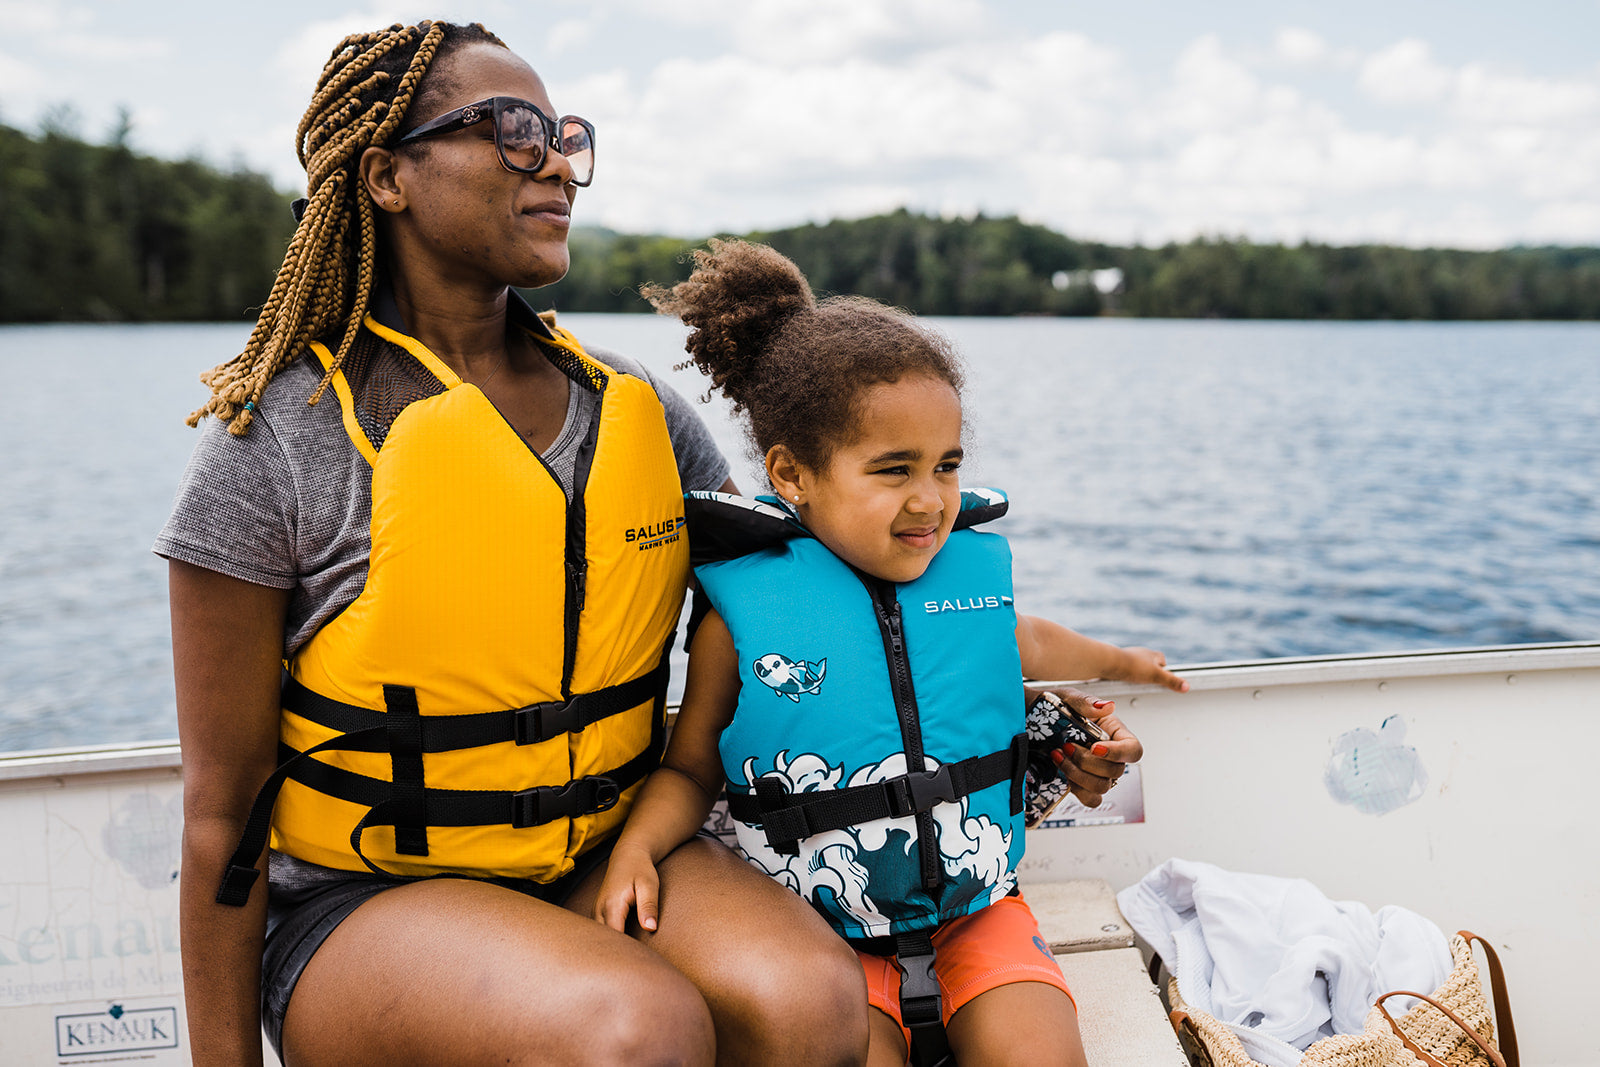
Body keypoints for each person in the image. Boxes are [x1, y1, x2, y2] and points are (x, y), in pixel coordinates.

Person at [156, 22, 875, 1065]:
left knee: (810, 1001)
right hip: (364, 903)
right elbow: (221, 813)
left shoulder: (638, 410)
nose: (558, 165)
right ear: (387, 176)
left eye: (565, 136)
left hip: (604, 848)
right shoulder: (275, 439)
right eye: (511, 129)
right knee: (636, 1027)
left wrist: (1026, 723)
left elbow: (793, 621)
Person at [593, 239, 1187, 1067]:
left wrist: (1125, 665)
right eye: (893, 470)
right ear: (791, 474)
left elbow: (1031, 641)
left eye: (947, 466)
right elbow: (691, 769)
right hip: (823, 934)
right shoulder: (742, 621)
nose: (930, 500)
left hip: (981, 913)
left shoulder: (965, 589)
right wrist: (636, 848)